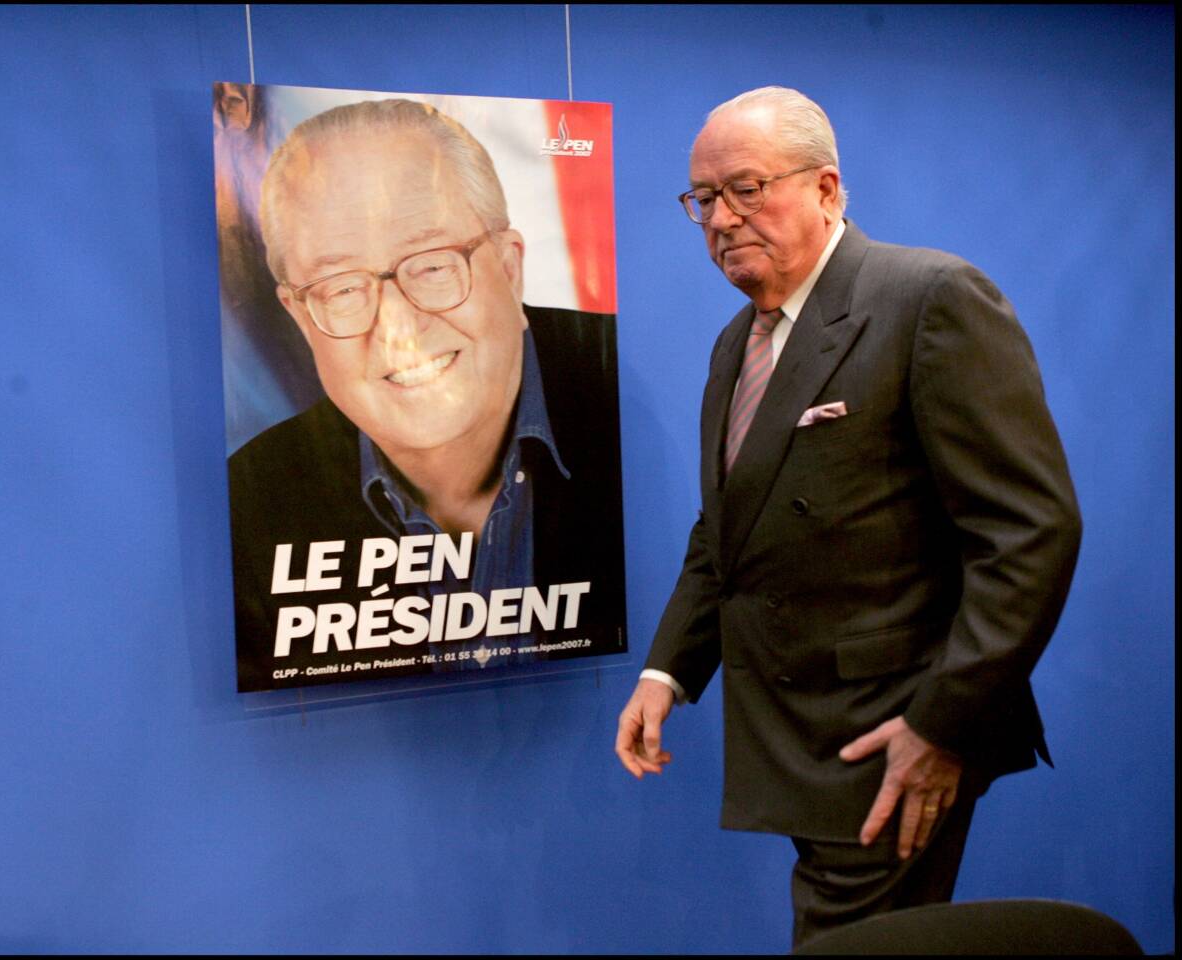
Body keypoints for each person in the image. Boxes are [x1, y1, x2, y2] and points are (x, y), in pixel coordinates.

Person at [614, 86, 1081, 947]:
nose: (721, 218)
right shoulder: (739, 340)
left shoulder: (930, 299)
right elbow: (728, 526)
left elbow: (1029, 533)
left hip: (894, 734)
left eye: (747, 188)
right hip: (797, 738)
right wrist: (666, 672)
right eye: (704, 198)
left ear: (827, 188)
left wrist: (944, 724)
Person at [228, 98, 626, 692]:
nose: (398, 328)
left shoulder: (619, 394)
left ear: (510, 269)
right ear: (300, 317)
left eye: (434, 265)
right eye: (341, 288)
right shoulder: (251, 503)